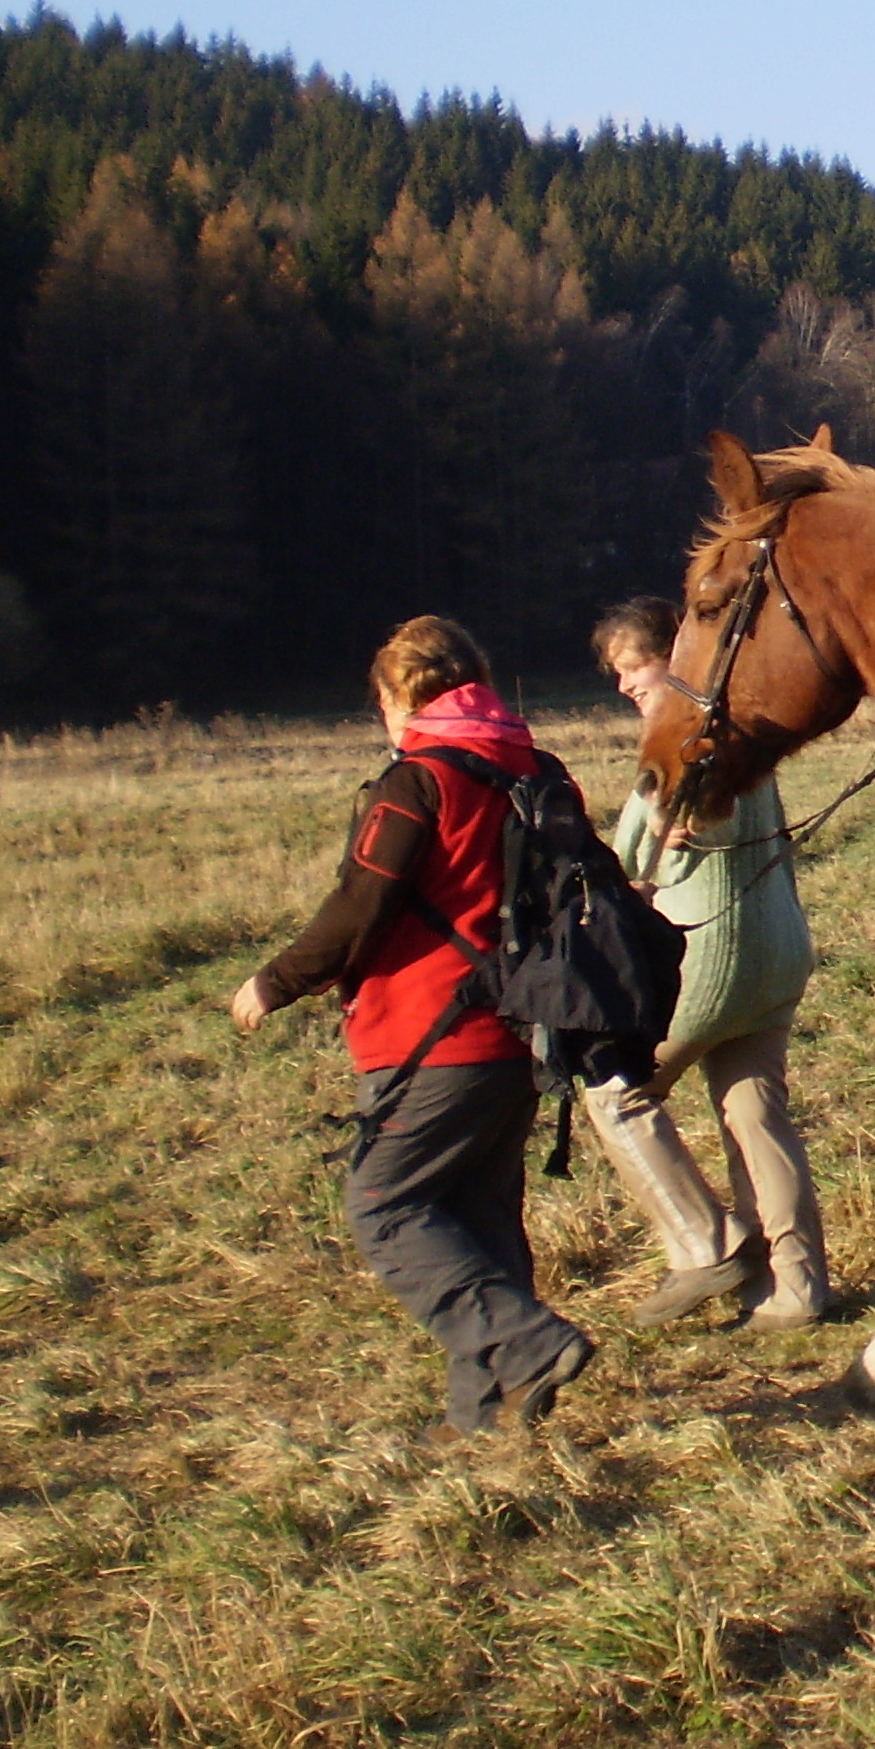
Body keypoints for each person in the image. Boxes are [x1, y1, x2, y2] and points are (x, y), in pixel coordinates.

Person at [231, 616, 594, 1440]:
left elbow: (361, 906)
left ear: (401, 696)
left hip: (431, 1038)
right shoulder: (539, 771)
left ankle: (525, 1343)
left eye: (383, 700)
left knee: (383, 1205)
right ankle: (483, 1418)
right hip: (523, 1031)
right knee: (481, 1216)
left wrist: (274, 982)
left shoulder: (418, 782)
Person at [583, 597, 832, 1330]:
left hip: (708, 960)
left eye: (637, 666)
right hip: (780, 953)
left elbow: (638, 850)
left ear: (680, 656)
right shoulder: (748, 733)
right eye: (618, 673)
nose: (627, 684)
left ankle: (709, 1244)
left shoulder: (686, 744)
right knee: (756, 1117)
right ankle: (796, 1291)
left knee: (616, 1093)